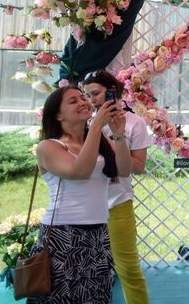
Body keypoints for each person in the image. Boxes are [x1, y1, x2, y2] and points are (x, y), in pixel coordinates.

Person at [30, 86, 131, 304]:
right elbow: (79, 172)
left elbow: (124, 170)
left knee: (95, 297)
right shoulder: (48, 147)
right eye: (73, 101)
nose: (84, 102)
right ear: (58, 115)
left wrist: (119, 134)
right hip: (62, 235)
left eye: (83, 97)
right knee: (61, 298)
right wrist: (95, 127)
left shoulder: (100, 141)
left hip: (98, 235)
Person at [83, 69, 152, 304]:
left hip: (117, 203)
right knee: (89, 270)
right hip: (86, 206)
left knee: (128, 270)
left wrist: (117, 139)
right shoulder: (84, 124)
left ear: (113, 92)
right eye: (88, 96)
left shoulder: (135, 123)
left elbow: (137, 167)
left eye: (95, 93)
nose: (91, 100)